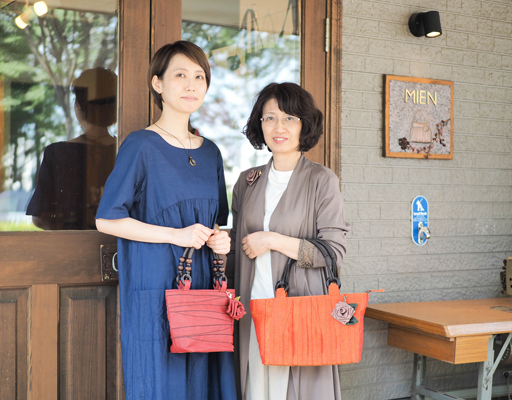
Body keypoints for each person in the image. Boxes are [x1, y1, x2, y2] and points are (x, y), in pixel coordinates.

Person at [95, 41, 235, 400]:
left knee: (203, 381)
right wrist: (175, 234)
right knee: (160, 382)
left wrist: (222, 240)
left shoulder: (210, 152)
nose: (191, 85)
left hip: (203, 288)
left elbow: (216, 220)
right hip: (155, 284)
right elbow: (107, 219)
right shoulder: (140, 145)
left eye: (199, 77)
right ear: (158, 84)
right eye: (180, 75)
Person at [227, 82, 350, 400]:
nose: (278, 127)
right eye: (269, 118)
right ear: (259, 124)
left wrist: (272, 239)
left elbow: (333, 252)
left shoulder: (322, 180)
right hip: (253, 309)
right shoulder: (247, 181)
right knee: (256, 389)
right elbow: (236, 244)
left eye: (289, 118)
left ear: (304, 125)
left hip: (298, 312)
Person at [26, 67, 117, 229]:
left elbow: (39, 218)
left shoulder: (57, 154)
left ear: (78, 107)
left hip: (70, 251)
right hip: (119, 252)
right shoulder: (129, 151)